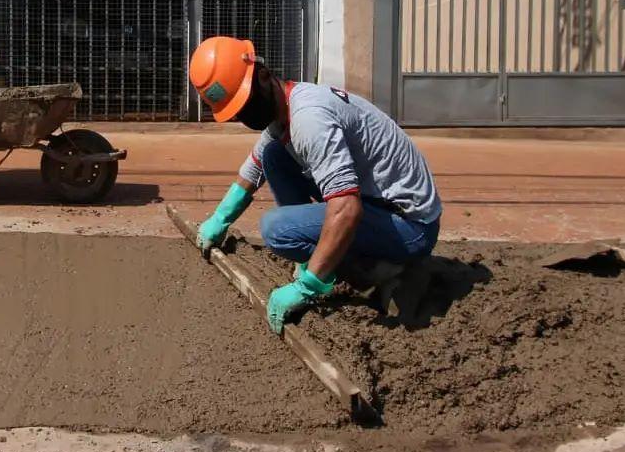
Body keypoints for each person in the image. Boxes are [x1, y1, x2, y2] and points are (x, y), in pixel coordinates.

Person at [188, 36, 442, 333]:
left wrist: (308, 287)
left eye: (247, 104)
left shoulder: (310, 120)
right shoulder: (286, 108)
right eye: (238, 113)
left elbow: (347, 209)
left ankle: (376, 268)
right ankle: (329, 254)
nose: (247, 116)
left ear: (265, 75)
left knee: (277, 229)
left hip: (410, 227)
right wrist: (220, 218)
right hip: (379, 205)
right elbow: (255, 166)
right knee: (273, 156)